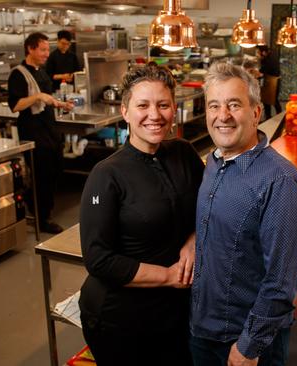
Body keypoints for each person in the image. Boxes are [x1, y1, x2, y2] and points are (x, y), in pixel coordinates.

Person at [78, 65, 204, 366]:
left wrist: (194, 239)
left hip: (175, 310)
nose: (155, 115)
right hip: (121, 318)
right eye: (143, 105)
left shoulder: (184, 153)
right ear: (125, 111)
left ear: (174, 108)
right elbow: (98, 259)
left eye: (163, 105)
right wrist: (169, 276)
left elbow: (209, 205)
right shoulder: (105, 175)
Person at [189, 63, 297, 366]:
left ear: (256, 112)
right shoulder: (214, 162)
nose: (223, 116)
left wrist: (249, 345)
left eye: (234, 105)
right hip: (202, 328)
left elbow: (282, 281)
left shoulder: (280, 182)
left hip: (244, 343)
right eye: (214, 106)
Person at [8, 32, 73, 234]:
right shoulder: (18, 73)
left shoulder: (41, 71)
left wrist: (62, 103)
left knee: (54, 171)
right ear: (30, 48)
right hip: (33, 131)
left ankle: (39, 206)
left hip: (49, 129)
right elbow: (16, 106)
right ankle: (42, 218)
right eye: (43, 49)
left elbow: (47, 99)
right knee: (41, 175)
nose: (47, 53)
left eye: (47, 49)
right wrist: (37, 96)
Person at [256, 45, 282, 119]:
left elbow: (265, 69)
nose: (257, 54)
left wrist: (259, 72)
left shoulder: (270, 59)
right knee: (266, 100)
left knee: (273, 100)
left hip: (274, 81)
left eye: (258, 52)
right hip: (269, 80)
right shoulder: (268, 56)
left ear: (263, 52)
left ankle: (279, 117)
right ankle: (269, 117)